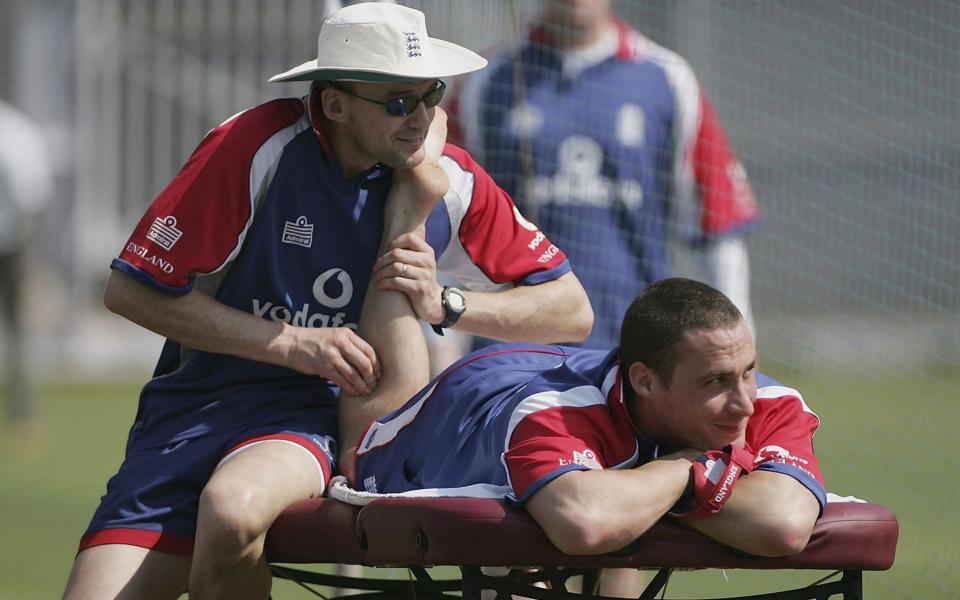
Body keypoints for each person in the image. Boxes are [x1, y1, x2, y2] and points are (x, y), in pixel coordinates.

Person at [63, 4, 592, 599]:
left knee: (233, 510)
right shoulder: (254, 146)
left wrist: (447, 303)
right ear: (335, 104)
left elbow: (572, 310)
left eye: (431, 96)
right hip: (189, 416)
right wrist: (295, 343)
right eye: (397, 102)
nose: (420, 119)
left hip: (310, 419)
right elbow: (128, 290)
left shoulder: (443, 179)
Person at [338, 276, 825, 561]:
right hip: (446, 412)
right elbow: (585, 524)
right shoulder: (555, 413)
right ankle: (401, 226)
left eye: (748, 372)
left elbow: (781, 524)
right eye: (715, 383)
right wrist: (683, 467)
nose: (744, 403)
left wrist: (642, 485)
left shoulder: (769, 402)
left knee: (622, 507)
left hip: (561, 384)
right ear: (646, 382)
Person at [450, 0, 759, 351]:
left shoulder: (667, 78)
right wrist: (438, 336)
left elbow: (714, 226)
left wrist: (739, 336)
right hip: (512, 350)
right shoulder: (484, 78)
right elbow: (442, 212)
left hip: (635, 352)